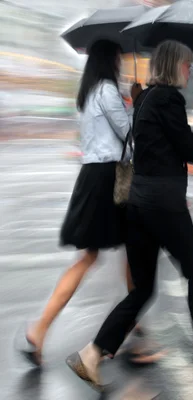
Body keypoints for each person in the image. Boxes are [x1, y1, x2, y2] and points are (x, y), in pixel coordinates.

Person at [66, 40, 193, 390]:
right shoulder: (168, 99)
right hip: (165, 206)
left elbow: (149, 145)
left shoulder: (145, 97)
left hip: (138, 204)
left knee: (142, 289)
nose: (189, 71)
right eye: (186, 65)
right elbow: (191, 153)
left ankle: (91, 354)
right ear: (174, 65)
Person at [20, 39, 144, 366]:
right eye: (118, 58)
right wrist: (137, 100)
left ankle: (43, 329)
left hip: (92, 178)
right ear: (109, 60)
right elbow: (130, 132)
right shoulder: (106, 91)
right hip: (109, 180)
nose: (120, 63)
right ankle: (132, 329)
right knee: (126, 250)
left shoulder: (89, 93)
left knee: (97, 256)